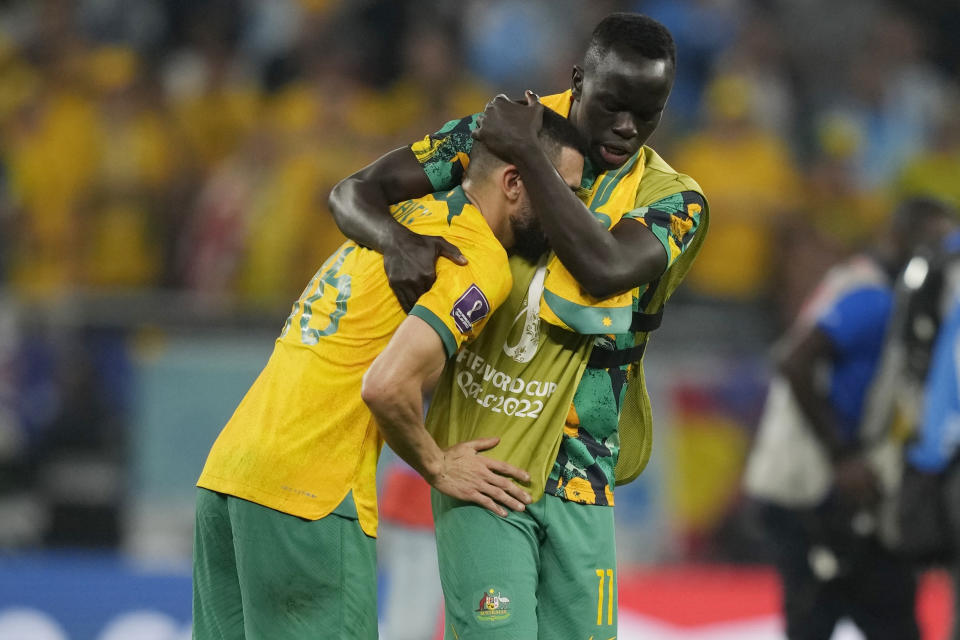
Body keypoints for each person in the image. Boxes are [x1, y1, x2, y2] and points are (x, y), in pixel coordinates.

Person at [329, 13, 709, 638]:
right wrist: (397, 243)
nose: (628, 127)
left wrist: (529, 154)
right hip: (488, 456)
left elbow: (606, 267)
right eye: (614, 105)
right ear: (579, 79)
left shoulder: (675, 200)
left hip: (583, 470)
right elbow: (356, 191)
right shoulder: (498, 133)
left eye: (650, 113)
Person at [191, 109, 587, 639]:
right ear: (514, 183)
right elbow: (386, 384)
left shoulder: (401, 216)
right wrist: (438, 465)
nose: (574, 211)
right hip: (310, 492)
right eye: (565, 191)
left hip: (228, 478)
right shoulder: (476, 261)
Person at [743, 198, 957, 640]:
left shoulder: (875, 288)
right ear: (900, 239)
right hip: (819, 487)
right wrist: (843, 453)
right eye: (934, 243)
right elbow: (795, 362)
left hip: (828, 487)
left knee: (841, 616)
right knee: (867, 616)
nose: (943, 257)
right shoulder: (874, 297)